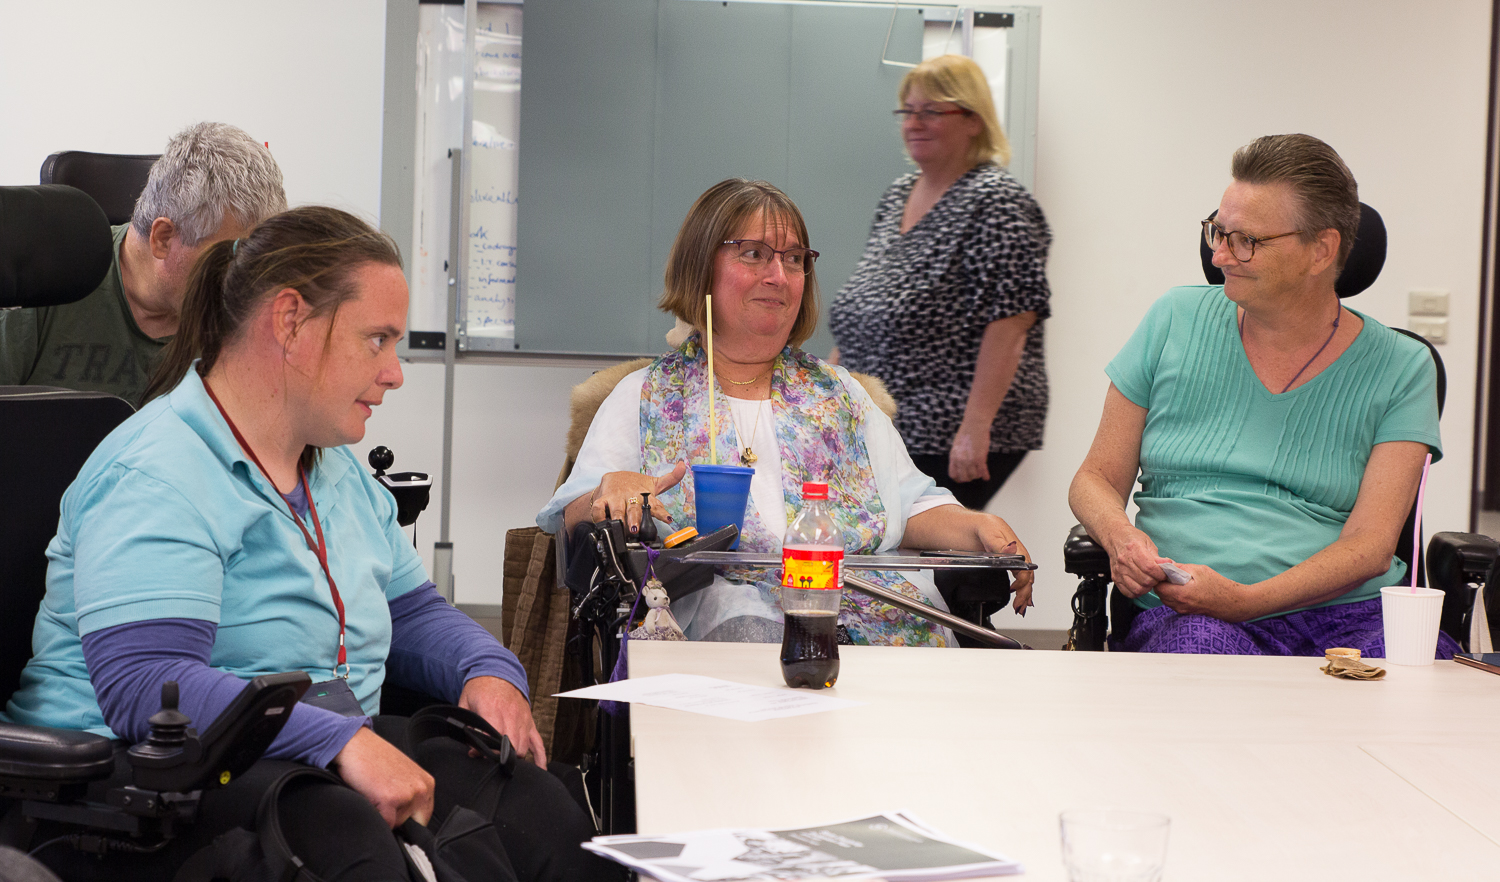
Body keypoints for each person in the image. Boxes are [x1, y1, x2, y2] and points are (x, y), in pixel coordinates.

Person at [3, 206, 613, 880]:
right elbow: (148, 687)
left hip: (300, 745)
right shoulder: (158, 472)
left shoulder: (334, 466)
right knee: (350, 847)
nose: (395, 372)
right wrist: (340, 738)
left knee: (543, 817)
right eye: (376, 340)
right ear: (290, 321)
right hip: (127, 785)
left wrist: (487, 669)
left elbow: (409, 611)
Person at [538, 179, 1035, 645]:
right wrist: (611, 491)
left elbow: (907, 504)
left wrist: (976, 527)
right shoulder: (644, 395)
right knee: (752, 632)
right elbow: (573, 524)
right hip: (717, 612)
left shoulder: (839, 394)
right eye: (754, 254)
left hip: (864, 604)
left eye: (793, 259)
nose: (778, 275)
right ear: (700, 266)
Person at [1068, 133, 1453, 658]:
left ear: (1322, 249)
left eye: (1246, 240)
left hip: (1350, 615)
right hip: (1193, 610)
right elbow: (1095, 478)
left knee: (1426, 687)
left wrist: (1247, 601)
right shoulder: (1173, 320)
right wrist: (1120, 538)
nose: (1221, 254)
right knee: (1209, 677)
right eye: (1217, 232)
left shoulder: (1403, 367)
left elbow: (1368, 547)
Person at [828, 54, 1051, 511]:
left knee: (933, 553)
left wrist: (974, 428)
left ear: (972, 119)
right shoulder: (898, 195)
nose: (914, 122)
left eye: (931, 111)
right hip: (887, 421)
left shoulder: (997, 201)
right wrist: (824, 392)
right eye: (907, 111)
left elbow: (1010, 324)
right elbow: (864, 309)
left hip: (947, 427)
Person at [0, 121, 287, 405]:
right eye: (229, 259)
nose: (246, 285)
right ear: (162, 238)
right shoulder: (44, 281)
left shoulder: (248, 316)